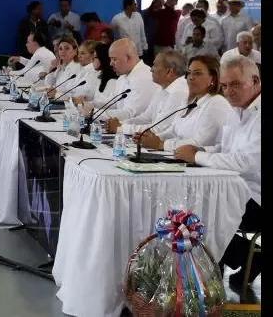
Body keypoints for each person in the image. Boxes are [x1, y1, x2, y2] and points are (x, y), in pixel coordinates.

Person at [173, 55, 261, 286]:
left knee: (202, 213)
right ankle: (225, 267)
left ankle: (209, 283)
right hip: (235, 186)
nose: (229, 91)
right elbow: (226, 148)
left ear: (255, 80)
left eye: (235, 84)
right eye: (224, 86)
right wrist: (199, 149)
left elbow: (246, 162)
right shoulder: (238, 109)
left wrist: (199, 156)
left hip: (256, 195)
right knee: (183, 203)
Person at [135, 55, 233, 151]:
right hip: (178, 156)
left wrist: (161, 144)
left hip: (199, 163)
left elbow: (200, 143)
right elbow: (173, 131)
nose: (191, 77)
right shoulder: (190, 101)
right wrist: (152, 138)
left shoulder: (216, 103)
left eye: (197, 73)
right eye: (189, 73)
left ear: (213, 79)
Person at [105, 49, 189, 135]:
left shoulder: (179, 92)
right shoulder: (162, 88)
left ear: (169, 72)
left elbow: (158, 129)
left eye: (155, 65)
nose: (151, 69)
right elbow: (146, 118)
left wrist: (121, 128)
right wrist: (121, 124)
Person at [98, 38, 158, 119]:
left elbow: (130, 114)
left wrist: (94, 114)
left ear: (128, 58)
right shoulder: (123, 76)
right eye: (110, 59)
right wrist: (90, 106)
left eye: (114, 59)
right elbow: (113, 103)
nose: (110, 63)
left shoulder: (143, 78)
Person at [43, 35, 83, 101]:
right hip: (56, 102)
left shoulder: (78, 69)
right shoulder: (60, 67)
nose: (63, 51)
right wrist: (51, 69)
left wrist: (57, 94)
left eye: (67, 48)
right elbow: (48, 84)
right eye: (60, 49)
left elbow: (77, 95)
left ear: (75, 51)